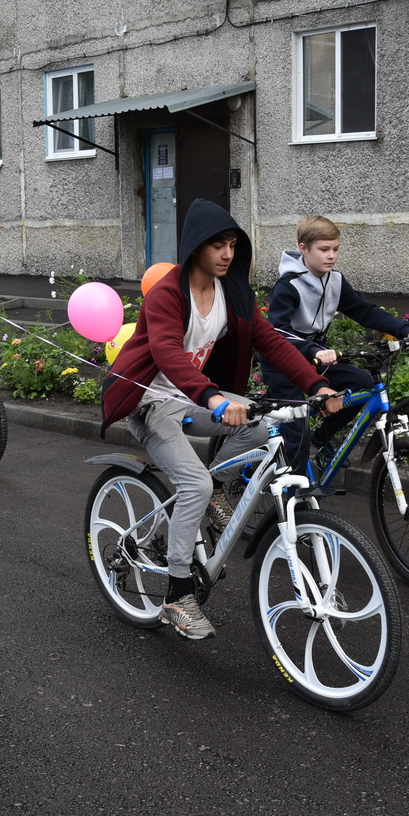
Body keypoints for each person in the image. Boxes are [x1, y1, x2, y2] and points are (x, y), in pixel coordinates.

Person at [101, 200, 341, 641]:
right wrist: (211, 394)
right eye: (217, 244)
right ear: (195, 247)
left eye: (232, 244)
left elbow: (270, 342)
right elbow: (169, 353)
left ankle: (212, 496)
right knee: (194, 482)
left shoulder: (231, 291)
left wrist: (315, 384)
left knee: (259, 426)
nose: (227, 253)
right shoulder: (168, 294)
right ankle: (175, 594)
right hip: (152, 401)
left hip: (193, 398)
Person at [265, 216, 409, 473]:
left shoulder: (335, 281)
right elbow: (277, 332)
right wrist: (314, 350)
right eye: (323, 249)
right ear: (304, 249)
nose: (331, 256)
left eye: (335, 249)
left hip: (318, 357)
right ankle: (294, 498)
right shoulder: (289, 285)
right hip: (285, 362)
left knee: (361, 384)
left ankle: (322, 436)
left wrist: (405, 330)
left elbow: (365, 311)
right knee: (297, 433)